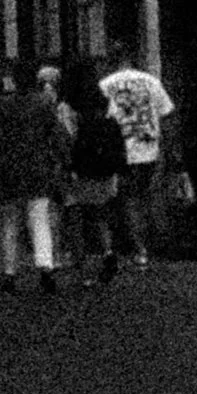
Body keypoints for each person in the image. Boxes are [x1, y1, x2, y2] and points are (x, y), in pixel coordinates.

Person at [0, 62, 70, 294]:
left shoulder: (2, 106)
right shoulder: (44, 104)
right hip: (38, 168)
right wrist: (62, 160)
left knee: (10, 221)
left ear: (13, 81)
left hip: (10, 169)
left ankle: (9, 272)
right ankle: (45, 268)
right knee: (39, 219)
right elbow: (56, 136)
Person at [100, 48, 176, 268]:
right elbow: (167, 113)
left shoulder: (106, 85)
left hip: (122, 148)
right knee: (146, 196)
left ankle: (138, 247)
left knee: (127, 199)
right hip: (149, 146)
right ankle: (153, 243)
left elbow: (104, 118)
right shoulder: (150, 81)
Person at [64, 66, 128, 286]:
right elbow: (120, 150)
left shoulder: (82, 123)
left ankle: (82, 265)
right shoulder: (110, 124)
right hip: (106, 174)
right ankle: (108, 251)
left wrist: (71, 169)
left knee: (77, 217)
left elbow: (75, 150)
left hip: (84, 175)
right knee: (101, 215)